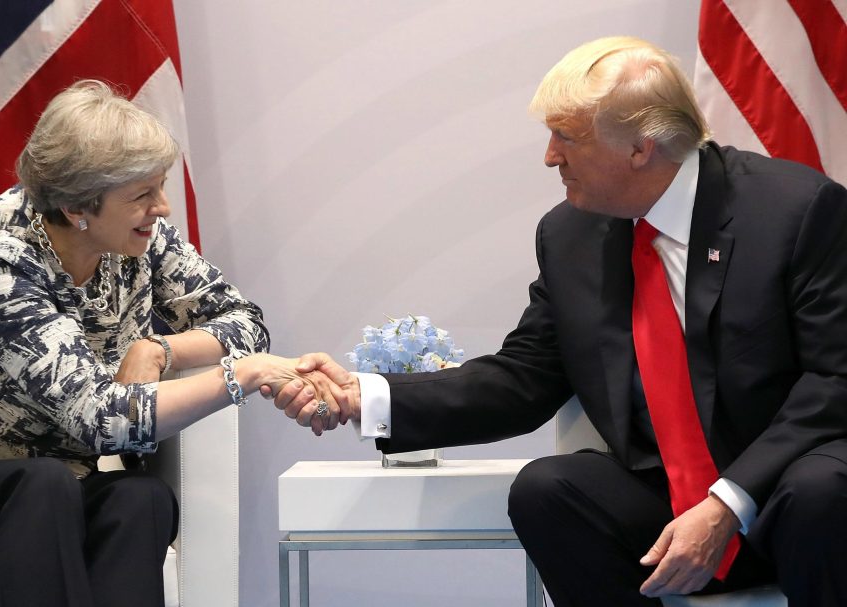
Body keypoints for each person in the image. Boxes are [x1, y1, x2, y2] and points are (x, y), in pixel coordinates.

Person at [273, 37, 847, 606]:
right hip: (666, 496)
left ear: (641, 149)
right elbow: (523, 377)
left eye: (567, 137)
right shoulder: (572, 234)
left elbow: (834, 381)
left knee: (820, 492)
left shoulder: (795, 211)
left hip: (782, 490)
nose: (550, 156)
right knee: (548, 491)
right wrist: (363, 396)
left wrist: (728, 502)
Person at [0, 80, 336, 607]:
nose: (163, 207)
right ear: (80, 205)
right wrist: (243, 375)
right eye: (142, 195)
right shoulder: (2, 262)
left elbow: (244, 321)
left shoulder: (141, 239)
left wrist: (158, 350)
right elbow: (100, 421)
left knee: (141, 498)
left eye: (160, 186)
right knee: (41, 486)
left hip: (55, 481)